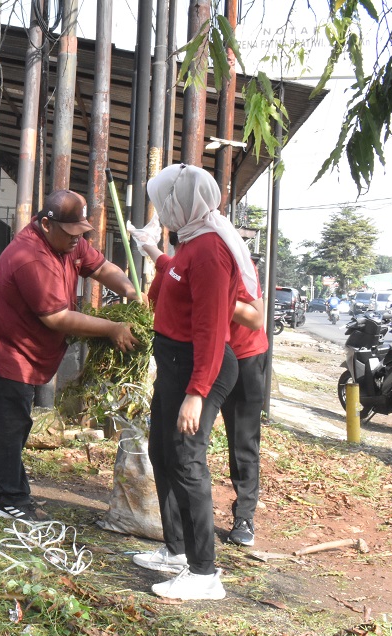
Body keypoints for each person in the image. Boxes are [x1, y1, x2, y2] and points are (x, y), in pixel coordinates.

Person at [0, 189, 139, 522]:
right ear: (45, 224)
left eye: (81, 233)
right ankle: (12, 498)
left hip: (18, 352)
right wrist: (112, 328)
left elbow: (101, 268)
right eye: (71, 233)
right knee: (11, 423)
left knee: (8, 422)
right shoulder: (31, 256)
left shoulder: (67, 241)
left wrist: (129, 289)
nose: (77, 240)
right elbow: (57, 318)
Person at [132, 163, 259, 601]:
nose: (161, 210)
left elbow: (210, 328)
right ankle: (177, 550)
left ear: (182, 203)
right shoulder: (190, 241)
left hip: (198, 366)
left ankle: (204, 573)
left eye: (165, 202)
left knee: (187, 461)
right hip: (175, 362)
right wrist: (152, 251)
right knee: (162, 452)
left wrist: (196, 394)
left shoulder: (208, 250)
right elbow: (174, 276)